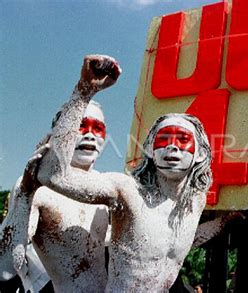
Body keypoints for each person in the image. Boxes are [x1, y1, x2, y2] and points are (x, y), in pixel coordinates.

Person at [37, 54, 213, 291]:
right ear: (150, 150)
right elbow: (52, 175)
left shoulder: (195, 201)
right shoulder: (126, 191)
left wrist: (224, 224)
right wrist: (83, 93)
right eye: (164, 139)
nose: (173, 146)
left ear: (200, 153)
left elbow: (177, 243)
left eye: (183, 139)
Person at [1, 101, 110, 292]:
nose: (90, 134)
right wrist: (25, 195)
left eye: (98, 128)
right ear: (56, 134)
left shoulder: (110, 189)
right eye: (80, 126)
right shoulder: (38, 188)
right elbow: (4, 269)